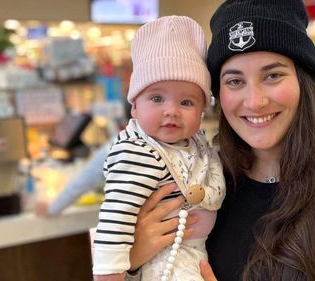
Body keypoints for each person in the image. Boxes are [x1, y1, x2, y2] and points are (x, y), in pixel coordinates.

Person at [127, 1, 315, 281]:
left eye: (273, 75)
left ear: (303, 80)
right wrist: (132, 264)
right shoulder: (202, 176)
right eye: (235, 81)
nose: (255, 101)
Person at [92, 15, 225, 281]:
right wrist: (110, 274)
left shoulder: (194, 144)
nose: (171, 111)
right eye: (156, 98)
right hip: (165, 263)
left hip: (191, 253)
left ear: (202, 111)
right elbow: (116, 216)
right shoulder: (140, 151)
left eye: (186, 102)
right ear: (134, 106)